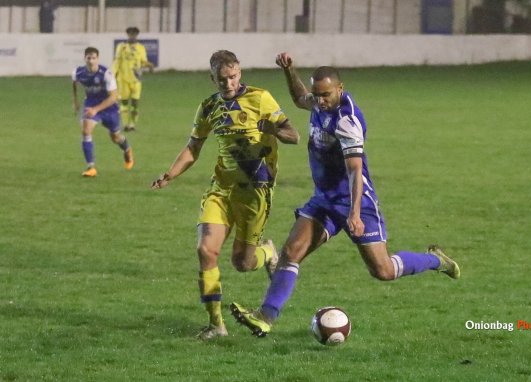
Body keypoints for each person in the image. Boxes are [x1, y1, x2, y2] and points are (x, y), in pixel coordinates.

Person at [230, 52, 461, 337]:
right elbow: (301, 98)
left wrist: (353, 214)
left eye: (325, 94)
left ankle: (435, 260)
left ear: (340, 88)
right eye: (318, 94)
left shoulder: (346, 121)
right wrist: (289, 71)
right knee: (291, 253)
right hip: (325, 199)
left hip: (356, 202)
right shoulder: (318, 102)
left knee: (383, 270)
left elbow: (355, 170)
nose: (320, 100)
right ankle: (266, 316)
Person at [150, 50, 300, 340]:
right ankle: (216, 325)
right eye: (222, 80)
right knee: (205, 250)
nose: (229, 84)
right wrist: (170, 174)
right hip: (221, 189)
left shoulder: (260, 98)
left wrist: (272, 129)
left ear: (239, 72)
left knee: (242, 263)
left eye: (232, 77)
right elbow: (194, 147)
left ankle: (267, 252)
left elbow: (293, 135)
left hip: (255, 192)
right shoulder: (208, 107)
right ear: (212, 78)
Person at [72, 47, 134, 177]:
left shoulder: (106, 74)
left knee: (115, 137)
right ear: (85, 58)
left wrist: (96, 109)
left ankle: (127, 150)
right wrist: (75, 101)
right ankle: (91, 167)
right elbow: (74, 83)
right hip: (90, 104)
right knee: (86, 131)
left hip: (109, 106)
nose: (91, 61)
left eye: (93, 58)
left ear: (97, 59)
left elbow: (113, 97)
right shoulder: (78, 72)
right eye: (88, 58)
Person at [112, 27, 154, 132]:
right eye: (130, 34)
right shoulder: (121, 47)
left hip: (136, 79)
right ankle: (126, 124)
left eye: (134, 34)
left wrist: (149, 65)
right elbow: (116, 62)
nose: (132, 36)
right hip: (123, 79)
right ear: (127, 34)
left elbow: (143, 61)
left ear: (137, 35)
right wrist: (112, 75)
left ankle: (132, 124)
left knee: (135, 103)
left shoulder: (140, 48)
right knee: (124, 103)